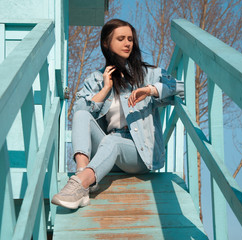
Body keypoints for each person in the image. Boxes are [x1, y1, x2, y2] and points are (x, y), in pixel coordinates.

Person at [51, 19, 184, 209]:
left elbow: (181, 88)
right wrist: (105, 89)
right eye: (121, 39)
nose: (127, 43)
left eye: (130, 39)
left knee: (113, 142)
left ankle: (80, 184)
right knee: (82, 115)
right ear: (106, 43)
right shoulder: (97, 78)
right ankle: (83, 177)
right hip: (107, 150)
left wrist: (150, 90)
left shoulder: (148, 74)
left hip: (139, 154)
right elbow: (79, 111)